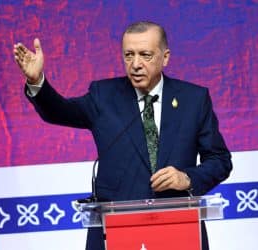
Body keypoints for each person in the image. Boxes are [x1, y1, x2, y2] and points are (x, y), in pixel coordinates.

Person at [13, 21, 232, 250]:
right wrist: (37, 82)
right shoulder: (103, 96)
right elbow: (58, 111)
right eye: (129, 55)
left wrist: (187, 178)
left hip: (178, 227)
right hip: (117, 231)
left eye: (145, 55)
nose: (135, 64)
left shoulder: (193, 99)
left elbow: (220, 160)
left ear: (165, 57)